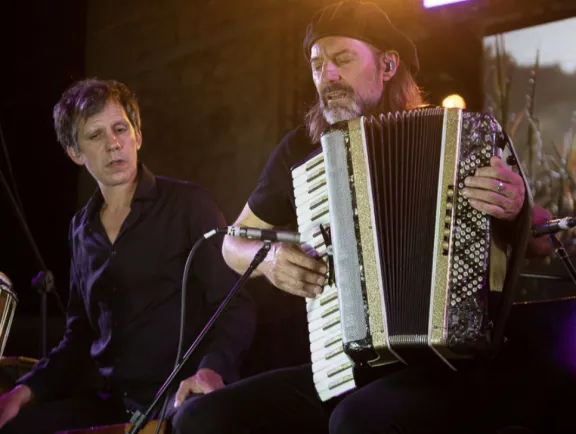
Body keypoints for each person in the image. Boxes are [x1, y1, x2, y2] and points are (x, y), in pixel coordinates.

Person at [168, 2, 571, 434]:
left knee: (356, 421)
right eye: (318, 65)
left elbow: (543, 240)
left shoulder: (461, 140)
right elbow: (232, 243)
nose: (328, 75)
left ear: (387, 65)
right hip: (345, 367)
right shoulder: (300, 150)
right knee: (200, 420)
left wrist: (517, 205)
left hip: (450, 366)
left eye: (342, 59)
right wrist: (268, 261)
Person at [0, 78, 255, 433]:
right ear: (75, 153)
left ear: (137, 136)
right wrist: (23, 391)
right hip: (114, 402)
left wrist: (212, 368)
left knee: (195, 421)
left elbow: (235, 304)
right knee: (18, 426)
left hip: (182, 395)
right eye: (95, 135)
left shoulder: (188, 205)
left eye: (120, 129)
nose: (113, 143)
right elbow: (79, 336)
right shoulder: (80, 229)